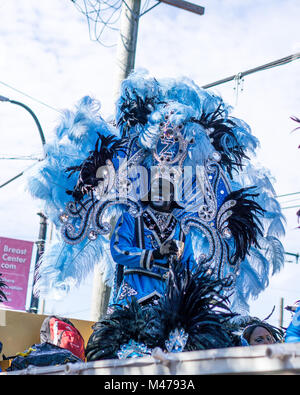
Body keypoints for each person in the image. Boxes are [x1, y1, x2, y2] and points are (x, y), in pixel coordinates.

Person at [109, 175, 197, 307]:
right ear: (149, 194)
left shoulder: (182, 231)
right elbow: (118, 251)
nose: (159, 192)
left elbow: (190, 268)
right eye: (155, 189)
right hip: (132, 301)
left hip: (168, 306)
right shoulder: (131, 219)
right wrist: (155, 254)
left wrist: (206, 282)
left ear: (173, 198)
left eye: (165, 190)